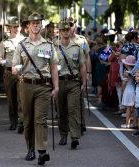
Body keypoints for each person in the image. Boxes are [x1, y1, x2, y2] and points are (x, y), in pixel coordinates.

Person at [12, 12, 59, 165]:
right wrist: (16, 69)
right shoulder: (21, 45)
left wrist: (56, 86)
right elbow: (14, 66)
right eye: (33, 23)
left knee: (41, 119)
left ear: (41, 25)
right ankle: (30, 148)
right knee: (28, 119)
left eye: (38, 23)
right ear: (28, 26)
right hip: (25, 85)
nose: (36, 25)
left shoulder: (49, 45)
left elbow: (53, 68)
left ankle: (42, 151)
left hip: (43, 86)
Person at [54, 20, 86, 149]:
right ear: (60, 32)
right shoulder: (53, 47)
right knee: (61, 110)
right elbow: (49, 66)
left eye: (67, 30)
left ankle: (74, 137)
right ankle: (63, 134)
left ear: (70, 31)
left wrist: (84, 81)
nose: (66, 32)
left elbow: (82, 65)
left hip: (73, 82)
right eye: (63, 30)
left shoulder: (77, 47)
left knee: (73, 109)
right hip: (60, 82)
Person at [0, 17, 25, 132]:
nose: (16, 29)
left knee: (21, 98)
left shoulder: (25, 41)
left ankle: (21, 122)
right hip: (9, 72)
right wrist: (2, 62)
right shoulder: (5, 42)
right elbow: (0, 57)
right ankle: (13, 121)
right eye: (13, 27)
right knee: (11, 99)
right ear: (10, 28)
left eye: (17, 26)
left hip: (21, 72)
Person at [120, 55, 136, 128]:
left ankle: (127, 123)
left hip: (128, 90)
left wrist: (122, 90)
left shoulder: (127, 72)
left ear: (126, 64)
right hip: (134, 89)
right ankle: (134, 123)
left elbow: (124, 82)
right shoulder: (134, 72)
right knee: (134, 108)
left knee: (128, 108)